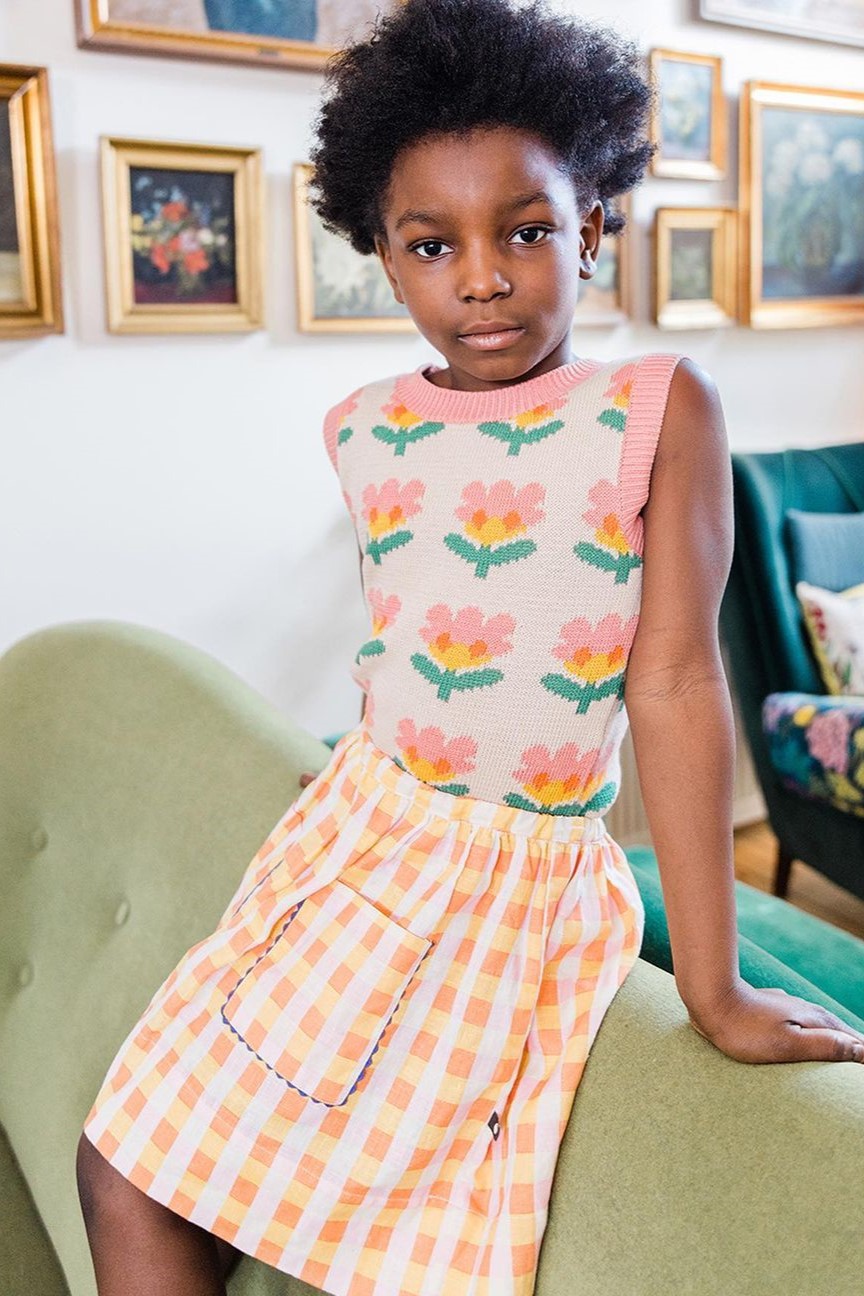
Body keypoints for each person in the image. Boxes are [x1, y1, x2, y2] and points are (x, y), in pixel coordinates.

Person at [76, 2, 864, 1294]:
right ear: (386, 261)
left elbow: (674, 679)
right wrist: (362, 773)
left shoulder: (654, 409)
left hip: (514, 880)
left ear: (592, 228)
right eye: (433, 244)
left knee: (408, 1248)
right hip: (354, 840)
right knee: (125, 1165)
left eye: (527, 231)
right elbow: (417, 629)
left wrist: (715, 990)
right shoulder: (360, 427)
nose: (483, 277)